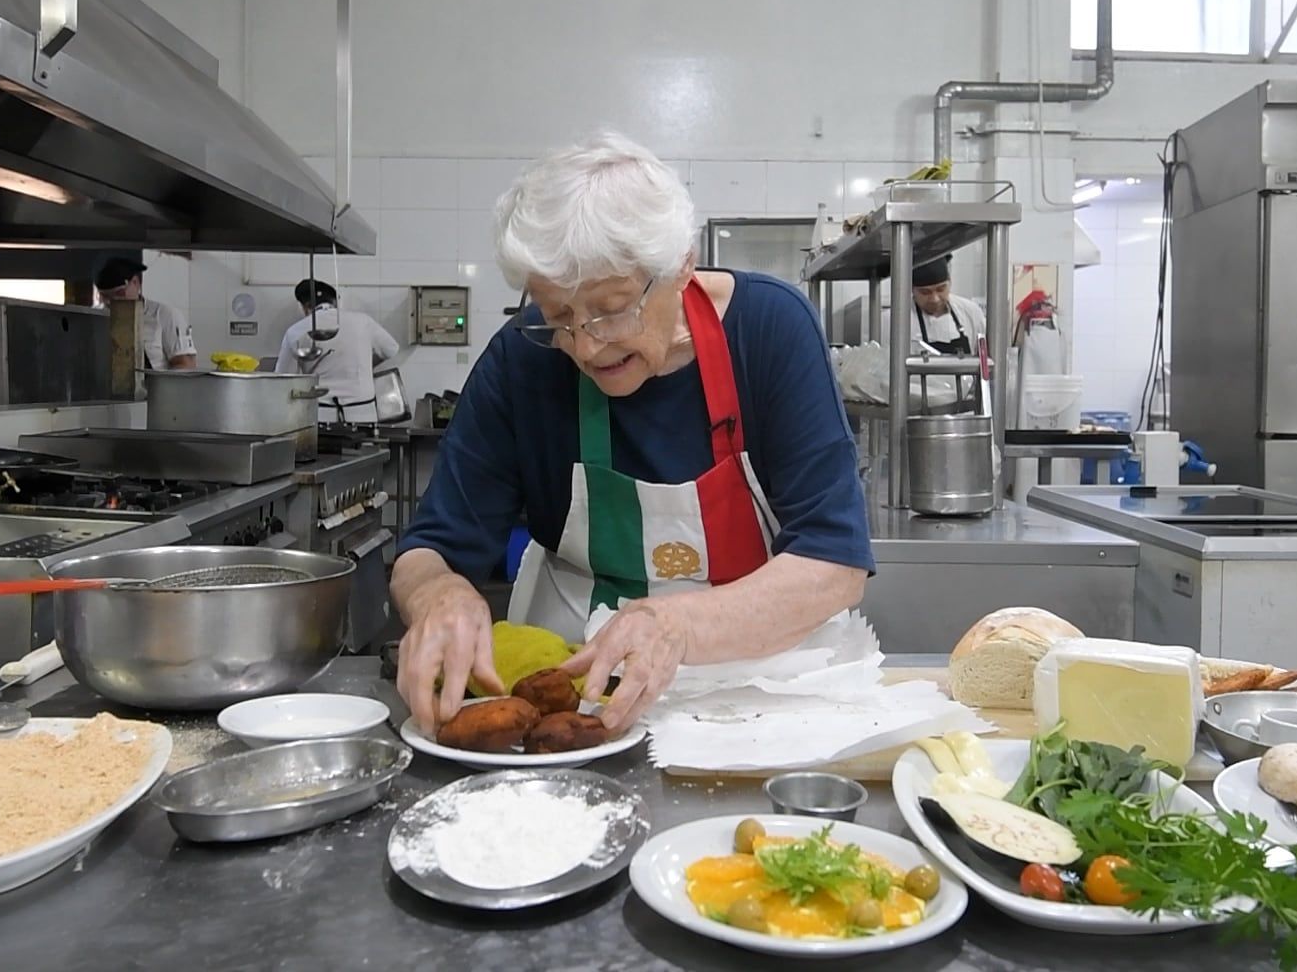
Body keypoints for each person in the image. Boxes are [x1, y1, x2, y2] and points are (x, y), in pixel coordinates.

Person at [392, 132, 872, 737]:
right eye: (558, 318)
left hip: (754, 687)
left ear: (681, 267)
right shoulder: (521, 358)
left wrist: (678, 625)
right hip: (573, 698)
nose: (586, 346)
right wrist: (437, 593)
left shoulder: (771, 329)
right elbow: (428, 547)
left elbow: (833, 563)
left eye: (612, 307)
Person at [275, 278, 400, 424]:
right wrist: (365, 366)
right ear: (335, 301)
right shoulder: (363, 322)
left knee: (321, 448)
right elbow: (391, 349)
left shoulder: (295, 331)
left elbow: (283, 378)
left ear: (305, 306)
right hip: (362, 414)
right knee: (362, 447)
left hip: (320, 415)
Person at [95, 255, 196, 370]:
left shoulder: (164, 315)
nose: (112, 301)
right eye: (105, 296)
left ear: (135, 283)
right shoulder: (98, 318)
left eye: (119, 293)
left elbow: (186, 365)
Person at [907, 255, 986, 357]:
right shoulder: (895, 320)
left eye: (941, 289)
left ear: (950, 283)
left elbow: (985, 362)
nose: (935, 299)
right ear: (912, 290)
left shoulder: (971, 313)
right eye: (925, 292)